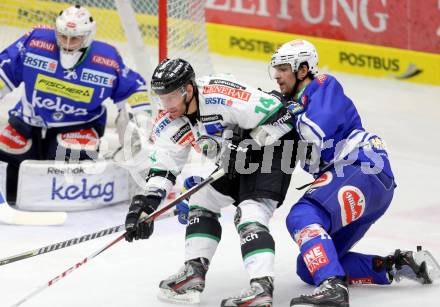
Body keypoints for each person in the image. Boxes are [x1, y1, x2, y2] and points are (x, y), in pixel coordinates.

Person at [263, 39, 440, 306]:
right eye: (275, 69)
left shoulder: (322, 84)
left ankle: (333, 287)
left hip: (362, 167)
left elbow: (316, 132)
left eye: (284, 68)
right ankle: (398, 266)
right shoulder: (293, 110)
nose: (276, 75)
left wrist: (286, 113)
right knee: (310, 265)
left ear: (303, 69)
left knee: (302, 215)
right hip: (365, 184)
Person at [123, 58, 298, 306]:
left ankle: (261, 287)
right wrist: (147, 204)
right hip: (234, 158)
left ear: (189, 90)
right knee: (202, 199)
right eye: (162, 97)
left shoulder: (222, 94)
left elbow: (286, 114)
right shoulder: (169, 122)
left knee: (250, 212)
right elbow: (164, 168)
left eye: (171, 96)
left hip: (274, 150)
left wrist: (253, 141)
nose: (166, 105)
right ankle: (194, 272)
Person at [0, 5, 150, 202]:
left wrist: (141, 125)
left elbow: (134, 89)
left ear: (87, 37)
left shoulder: (106, 60)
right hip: (28, 122)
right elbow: (4, 71)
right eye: (63, 36)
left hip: (78, 126)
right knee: (8, 156)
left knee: (69, 160)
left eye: (75, 38)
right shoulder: (34, 43)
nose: (68, 43)